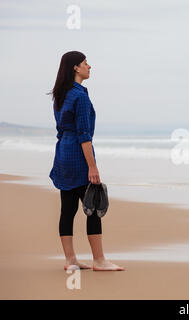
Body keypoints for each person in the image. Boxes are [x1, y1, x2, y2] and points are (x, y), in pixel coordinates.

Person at [49, 51, 124, 271]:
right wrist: (92, 166)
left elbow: (65, 130)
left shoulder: (61, 94)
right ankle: (99, 261)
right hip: (78, 156)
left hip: (63, 153)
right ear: (75, 68)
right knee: (93, 206)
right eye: (85, 63)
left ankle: (70, 260)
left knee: (68, 208)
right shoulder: (80, 96)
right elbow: (84, 136)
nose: (89, 66)